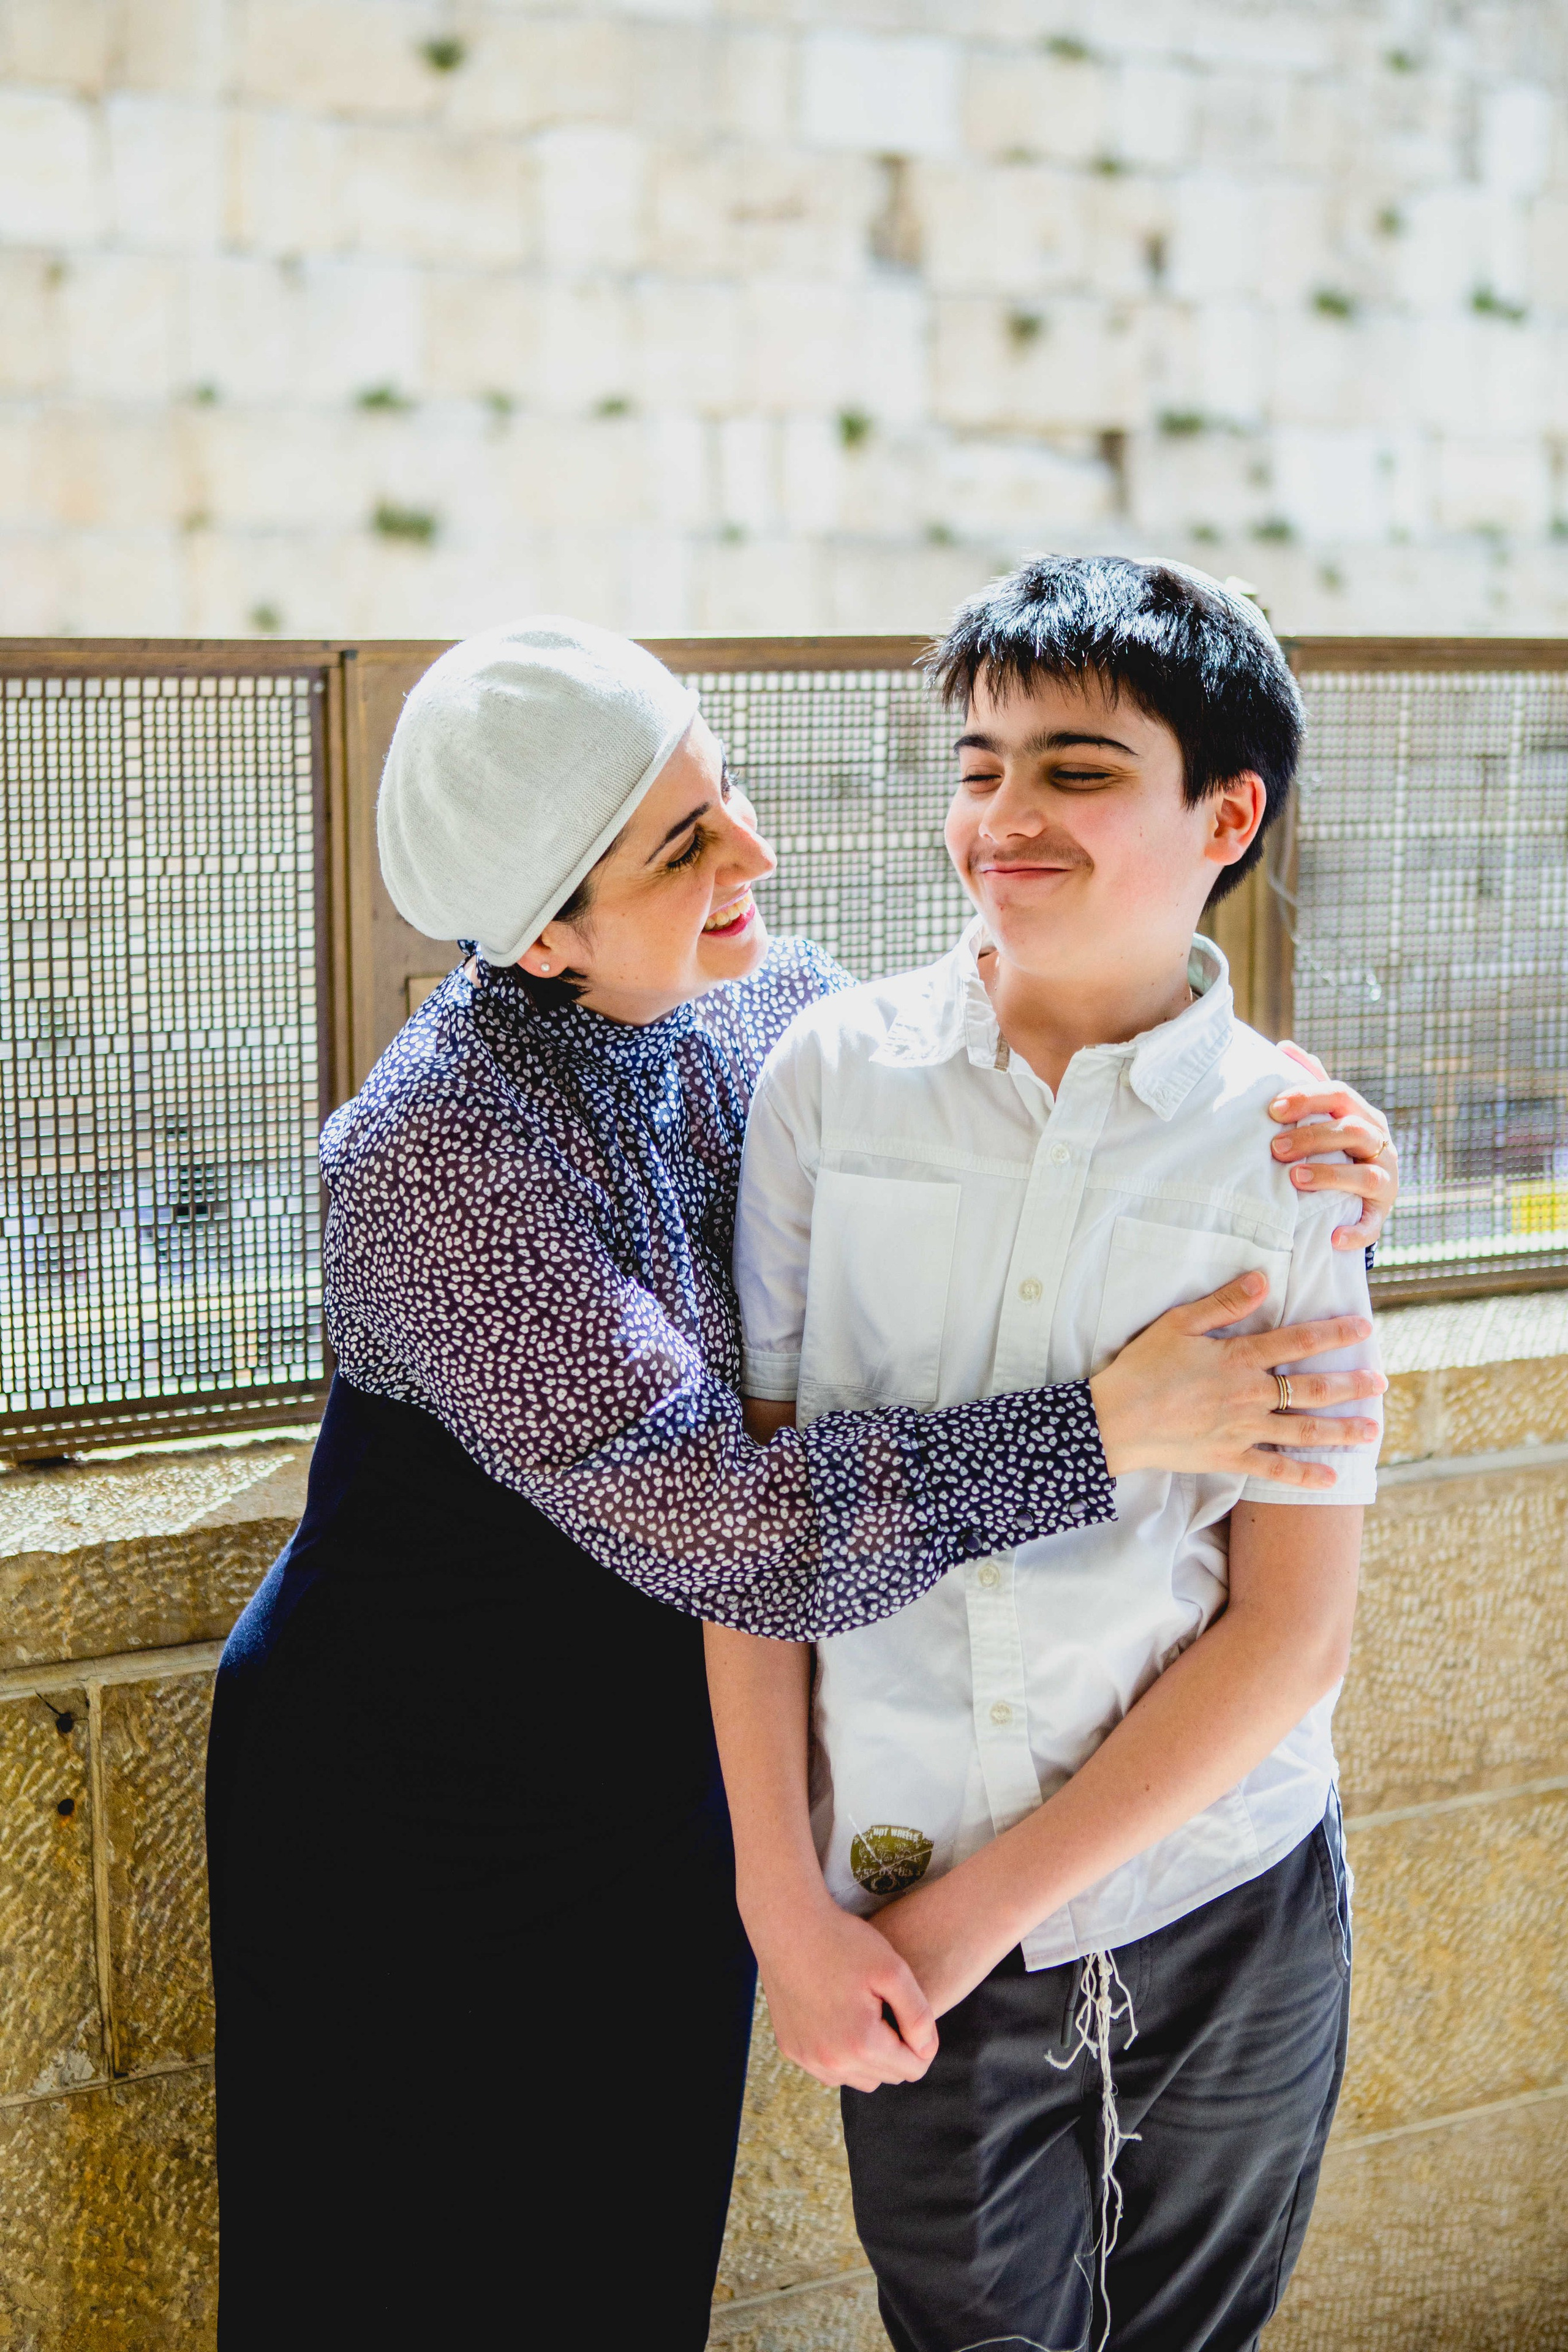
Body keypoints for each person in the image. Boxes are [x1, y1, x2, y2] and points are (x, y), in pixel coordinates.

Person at [205, 616, 1395, 2352]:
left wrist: (1296, 1125)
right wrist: (1114, 1426)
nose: (752, 853)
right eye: (683, 846)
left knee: (621, 2257)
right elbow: (737, 1519)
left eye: (727, 789)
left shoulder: (769, 995)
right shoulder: (426, 1157)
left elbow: (1008, 1085)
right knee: (403, 2271)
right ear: (540, 931)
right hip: (424, 1796)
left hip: (652, 1759)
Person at [707, 557, 1383, 2352]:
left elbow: (1288, 1635)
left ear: (1224, 812)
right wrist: (792, 1903)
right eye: (981, 761)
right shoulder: (827, 1084)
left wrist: (973, 1924)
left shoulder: (1296, 1154)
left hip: (1221, 1895)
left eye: (1077, 769)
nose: (1004, 814)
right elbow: (761, 1534)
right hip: (900, 1898)